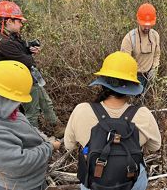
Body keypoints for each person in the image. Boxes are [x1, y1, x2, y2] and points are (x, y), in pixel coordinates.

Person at [64, 51, 161, 190]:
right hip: (131, 181)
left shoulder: (81, 110)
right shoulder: (143, 114)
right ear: (131, 86)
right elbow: (155, 146)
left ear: (103, 82)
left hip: (94, 182)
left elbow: (69, 145)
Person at [0, 1, 64, 138]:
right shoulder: (2, 42)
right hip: (17, 82)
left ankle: (57, 126)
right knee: (32, 111)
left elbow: (20, 53)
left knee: (46, 102)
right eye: (19, 21)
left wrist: (28, 49)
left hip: (26, 78)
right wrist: (28, 54)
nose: (21, 24)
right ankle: (34, 139)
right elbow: (26, 61)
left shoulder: (7, 37)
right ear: (8, 21)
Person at [0, 60, 61, 190]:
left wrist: (41, 137)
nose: (18, 104)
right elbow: (18, 164)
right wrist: (49, 147)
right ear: (4, 98)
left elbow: (25, 128)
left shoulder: (9, 113)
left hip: (32, 179)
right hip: (19, 185)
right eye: (15, 100)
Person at [121, 3, 160, 88]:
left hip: (149, 75)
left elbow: (157, 55)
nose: (147, 28)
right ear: (138, 21)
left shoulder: (155, 36)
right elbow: (124, 63)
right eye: (144, 25)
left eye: (149, 25)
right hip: (133, 78)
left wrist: (154, 68)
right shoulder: (129, 39)